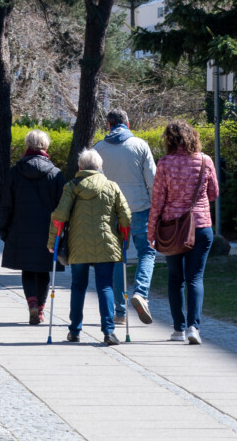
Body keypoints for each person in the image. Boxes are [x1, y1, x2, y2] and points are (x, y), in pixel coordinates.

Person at [149, 118, 218, 344]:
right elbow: (214, 193)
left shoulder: (165, 163)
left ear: (169, 140)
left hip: (173, 229)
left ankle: (178, 329)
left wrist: (151, 232)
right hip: (201, 226)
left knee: (175, 278)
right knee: (195, 278)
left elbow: (158, 201)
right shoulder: (206, 161)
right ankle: (193, 328)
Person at [52, 147, 130, 345]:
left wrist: (52, 242)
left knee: (78, 286)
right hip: (107, 244)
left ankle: (75, 330)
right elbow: (125, 217)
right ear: (100, 167)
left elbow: (59, 217)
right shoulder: (111, 186)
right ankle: (109, 332)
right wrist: (122, 238)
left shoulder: (72, 186)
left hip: (78, 245)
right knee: (105, 286)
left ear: (80, 167)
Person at [93, 108, 157, 326]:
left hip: (111, 211)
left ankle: (120, 311)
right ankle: (141, 292)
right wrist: (155, 207)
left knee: (117, 259)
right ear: (127, 124)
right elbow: (152, 180)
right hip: (139, 208)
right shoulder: (140, 145)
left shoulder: (98, 148)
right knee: (147, 252)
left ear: (108, 125)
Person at [0, 128, 64, 324]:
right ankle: (41, 310)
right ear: (45, 146)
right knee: (43, 270)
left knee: (27, 270)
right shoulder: (55, 174)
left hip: (21, 229)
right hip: (47, 231)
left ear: (28, 146)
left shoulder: (15, 172)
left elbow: (7, 204)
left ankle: (32, 304)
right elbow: (62, 206)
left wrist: (5, 229)